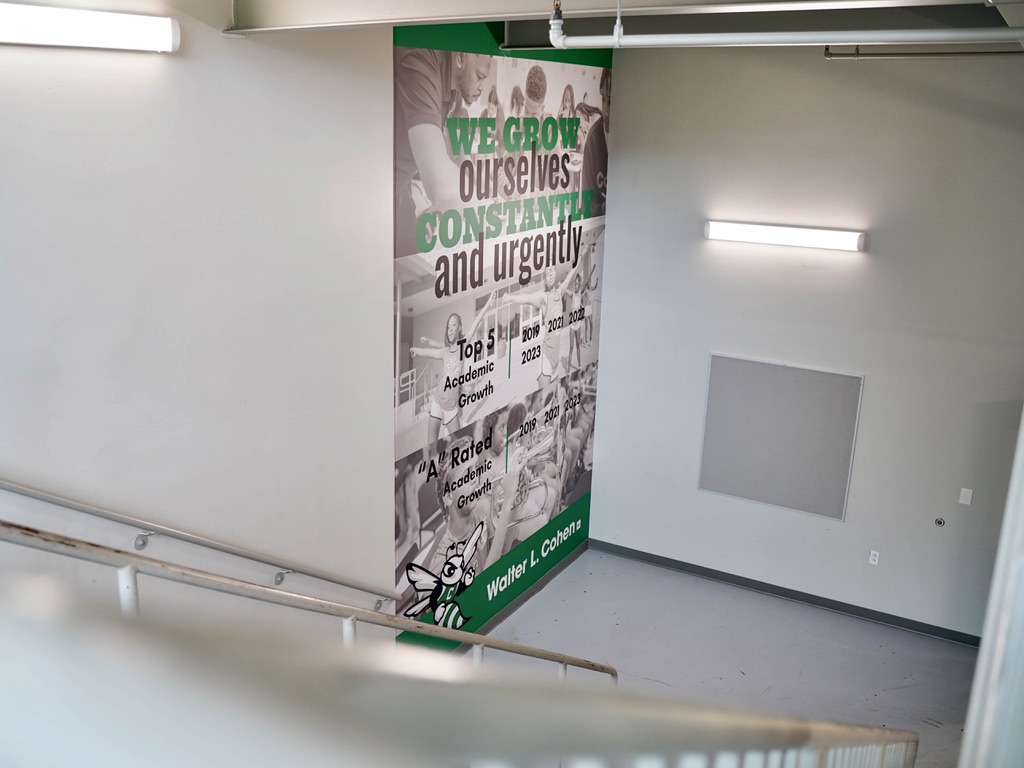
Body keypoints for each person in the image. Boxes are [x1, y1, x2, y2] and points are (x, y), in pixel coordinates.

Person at [394, 48, 493, 257]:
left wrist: (483, 193)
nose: (481, 87)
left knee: (415, 258)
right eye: (479, 76)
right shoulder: (420, 62)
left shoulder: (455, 89)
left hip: (400, 191)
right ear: (460, 57)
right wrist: (485, 209)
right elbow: (441, 185)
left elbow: (460, 161)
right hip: (370, 196)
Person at [409, 292, 496, 444]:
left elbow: (476, 322)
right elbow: (430, 352)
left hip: (452, 408)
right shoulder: (445, 351)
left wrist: (488, 303)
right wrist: (415, 349)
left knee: (459, 445)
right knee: (431, 446)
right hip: (437, 402)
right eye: (448, 326)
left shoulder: (463, 346)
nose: (450, 329)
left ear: (460, 327)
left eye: (453, 325)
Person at [502, 263, 584, 388]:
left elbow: (572, 272)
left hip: (556, 359)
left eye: (552, 270)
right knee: (543, 396)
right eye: (547, 272)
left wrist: (582, 256)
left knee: (554, 397)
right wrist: (510, 298)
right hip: (546, 359)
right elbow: (526, 297)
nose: (550, 274)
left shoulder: (560, 292)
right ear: (545, 279)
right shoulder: (544, 297)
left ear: (556, 273)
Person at [581, 68, 611, 218]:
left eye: (613, 102)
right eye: (604, 99)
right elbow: (587, 207)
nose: (606, 112)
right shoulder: (593, 140)